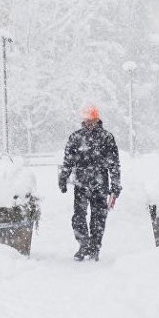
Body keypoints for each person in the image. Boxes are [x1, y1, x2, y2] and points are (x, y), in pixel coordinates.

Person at [58, 104, 121, 261]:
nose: (89, 123)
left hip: (100, 184)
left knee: (98, 217)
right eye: (87, 120)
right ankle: (83, 244)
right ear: (83, 120)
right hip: (81, 184)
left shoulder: (107, 137)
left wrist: (115, 184)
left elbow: (114, 163)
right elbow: (68, 160)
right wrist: (63, 178)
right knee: (78, 216)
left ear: (97, 120)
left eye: (92, 120)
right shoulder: (75, 137)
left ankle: (94, 247)